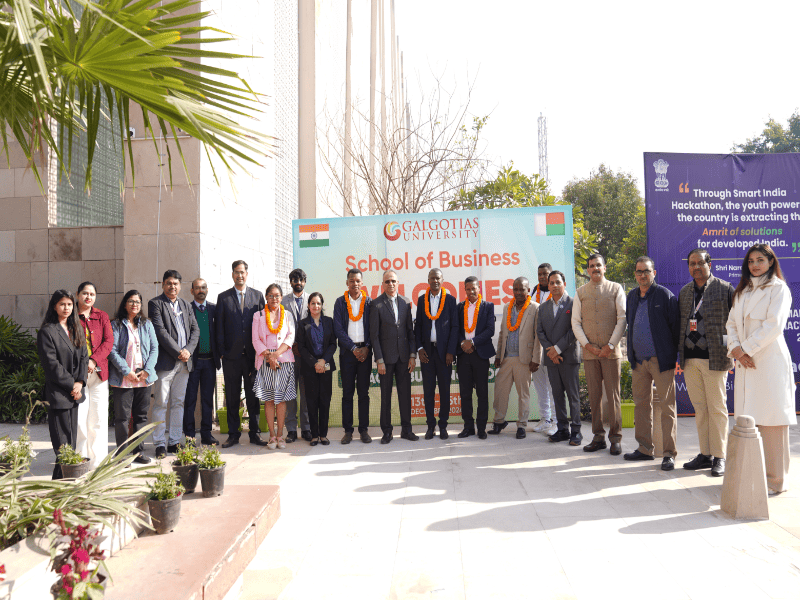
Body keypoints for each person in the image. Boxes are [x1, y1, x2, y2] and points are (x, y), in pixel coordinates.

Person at [726, 243, 796, 495]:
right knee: (748, 421)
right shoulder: (742, 291)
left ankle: (776, 481)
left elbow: (774, 325)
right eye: (751, 261)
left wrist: (745, 349)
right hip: (745, 363)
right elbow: (731, 323)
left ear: (770, 262)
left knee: (772, 422)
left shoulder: (779, 289)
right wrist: (736, 349)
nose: (755, 265)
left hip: (768, 362)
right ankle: (750, 477)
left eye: (760, 260)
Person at [679, 249, 734, 477]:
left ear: (709, 264)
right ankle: (705, 454)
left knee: (717, 409)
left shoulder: (724, 288)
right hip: (690, 360)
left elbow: (733, 324)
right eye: (692, 264)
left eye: (700, 263)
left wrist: (729, 351)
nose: (696, 267)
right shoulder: (685, 292)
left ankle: (720, 456)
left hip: (715, 359)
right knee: (700, 409)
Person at [623, 257, 680, 471]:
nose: (642, 275)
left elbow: (675, 328)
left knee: (667, 407)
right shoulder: (631, 296)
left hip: (660, 361)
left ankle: (669, 453)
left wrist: (670, 356)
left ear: (653, 273)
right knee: (641, 406)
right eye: (639, 272)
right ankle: (645, 449)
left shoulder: (665, 295)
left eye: (646, 271)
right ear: (635, 274)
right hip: (638, 361)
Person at [572, 253, 627, 456]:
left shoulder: (616, 288)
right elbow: (575, 322)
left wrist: (610, 345)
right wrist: (587, 345)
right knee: (594, 397)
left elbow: (622, 318)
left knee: (613, 397)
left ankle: (616, 438)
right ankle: (598, 437)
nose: (595, 268)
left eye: (598, 265)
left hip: (610, 353)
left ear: (605, 268)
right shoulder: (580, 292)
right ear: (587, 270)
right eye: (591, 265)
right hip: (590, 354)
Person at [37, 290, 89, 479]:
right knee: (62, 444)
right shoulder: (47, 331)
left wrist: (80, 382)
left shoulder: (76, 328)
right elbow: (51, 365)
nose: (66, 308)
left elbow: (84, 357)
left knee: (71, 443)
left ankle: (65, 482)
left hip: (75, 393)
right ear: (54, 306)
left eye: (69, 304)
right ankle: (62, 483)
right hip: (58, 394)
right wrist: (72, 385)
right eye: (62, 304)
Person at [148, 270, 199, 459]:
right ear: (163, 285)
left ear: (180, 285)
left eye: (176, 283)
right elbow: (160, 332)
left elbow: (195, 330)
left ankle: (174, 441)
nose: (172, 286)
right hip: (166, 363)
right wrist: (179, 352)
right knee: (161, 403)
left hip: (185, 363)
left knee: (178, 403)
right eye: (169, 283)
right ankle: (160, 443)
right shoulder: (156, 304)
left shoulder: (186, 305)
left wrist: (188, 351)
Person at [215, 260, 266, 448]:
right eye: (236, 272)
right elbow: (219, 326)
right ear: (232, 274)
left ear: (247, 273)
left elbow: (263, 325)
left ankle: (255, 434)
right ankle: (233, 435)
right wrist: (222, 352)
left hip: (253, 357)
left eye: (242, 272)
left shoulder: (257, 296)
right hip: (231, 357)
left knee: (253, 397)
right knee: (232, 397)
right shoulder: (224, 298)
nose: (240, 275)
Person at [108, 290, 158, 465]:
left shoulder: (147, 324)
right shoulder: (116, 325)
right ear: (125, 304)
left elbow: (154, 348)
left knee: (141, 417)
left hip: (143, 378)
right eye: (131, 301)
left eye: (137, 302)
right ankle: (122, 455)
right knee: (122, 418)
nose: (134, 304)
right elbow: (112, 351)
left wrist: (147, 370)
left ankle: (138, 452)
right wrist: (126, 371)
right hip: (123, 379)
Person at [489, 277, 542, 440]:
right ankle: (499, 422)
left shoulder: (535, 308)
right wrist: (498, 355)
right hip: (506, 358)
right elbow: (502, 333)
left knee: (523, 394)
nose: (518, 292)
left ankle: (522, 425)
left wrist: (536, 358)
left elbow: (538, 335)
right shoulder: (507, 306)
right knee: (500, 391)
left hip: (524, 359)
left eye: (522, 289)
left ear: (528, 290)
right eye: (516, 289)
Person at [370, 270, 417, 444]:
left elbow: (410, 331)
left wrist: (412, 356)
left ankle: (407, 430)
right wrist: (379, 360)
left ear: (398, 283)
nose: (390, 284)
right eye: (387, 281)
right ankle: (387, 432)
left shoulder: (405, 302)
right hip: (386, 360)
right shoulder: (376, 304)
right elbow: (374, 336)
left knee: (405, 395)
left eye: (393, 281)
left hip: (404, 358)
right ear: (383, 284)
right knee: (386, 397)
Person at [536, 271, 582, 446]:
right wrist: (551, 351)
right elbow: (540, 331)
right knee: (557, 395)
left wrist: (557, 349)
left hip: (568, 358)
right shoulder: (543, 307)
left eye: (558, 282)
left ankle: (576, 431)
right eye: (552, 283)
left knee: (573, 396)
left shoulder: (574, 303)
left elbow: (574, 329)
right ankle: (562, 430)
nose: (555, 285)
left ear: (564, 284)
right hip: (551, 359)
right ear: (548, 286)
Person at [414, 268, 459, 440]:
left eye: (438, 278)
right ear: (428, 280)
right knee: (428, 392)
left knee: (445, 391)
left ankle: (443, 426)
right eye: (432, 278)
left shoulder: (450, 300)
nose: (435, 281)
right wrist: (419, 348)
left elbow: (454, 327)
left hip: (444, 354)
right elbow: (418, 326)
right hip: (427, 353)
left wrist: (450, 351)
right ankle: (430, 426)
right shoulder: (421, 299)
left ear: (442, 280)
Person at [253, 284, 296, 450]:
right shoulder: (258, 315)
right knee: (269, 399)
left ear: (281, 297)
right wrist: (269, 356)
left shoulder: (288, 315)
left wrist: (275, 355)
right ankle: (271, 436)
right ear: (266, 297)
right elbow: (255, 339)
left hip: (283, 360)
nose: (274, 299)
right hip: (265, 361)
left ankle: (280, 435)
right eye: (271, 295)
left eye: (277, 295)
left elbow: (290, 337)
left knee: (281, 400)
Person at [75, 281, 113, 469]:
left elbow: (108, 341)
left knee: (98, 417)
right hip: (77, 375)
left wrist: (94, 360)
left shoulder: (102, 316)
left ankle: (98, 461)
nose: (88, 297)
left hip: (99, 373)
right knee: (80, 418)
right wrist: (83, 363)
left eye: (92, 294)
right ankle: (81, 459)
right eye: (85, 293)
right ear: (77, 295)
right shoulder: (71, 316)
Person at [333, 268, 373, 444]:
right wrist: (352, 348)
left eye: (358, 281)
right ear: (347, 282)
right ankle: (348, 431)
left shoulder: (369, 302)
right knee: (347, 393)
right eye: (352, 281)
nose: (355, 284)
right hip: (348, 353)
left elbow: (373, 328)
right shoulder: (340, 302)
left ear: (362, 283)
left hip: (365, 353)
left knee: (363, 393)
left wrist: (367, 347)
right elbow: (338, 328)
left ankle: (364, 430)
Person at [456, 277, 496, 439]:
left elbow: (490, 330)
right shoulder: (459, 307)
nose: (471, 291)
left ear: (479, 288)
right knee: (465, 393)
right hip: (463, 355)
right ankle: (468, 427)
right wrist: (463, 343)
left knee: (482, 393)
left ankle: (481, 428)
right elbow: (456, 329)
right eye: (468, 289)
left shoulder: (488, 306)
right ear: (465, 290)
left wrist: (472, 342)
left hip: (480, 354)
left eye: (474, 288)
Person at [296, 293, 337, 446]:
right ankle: (314, 435)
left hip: (326, 365)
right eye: (313, 303)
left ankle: (323, 435)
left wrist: (323, 360)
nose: (316, 306)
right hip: (310, 366)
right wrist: (315, 363)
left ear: (322, 305)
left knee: (325, 400)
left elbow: (333, 344)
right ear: (308, 305)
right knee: (311, 401)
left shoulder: (329, 321)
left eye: (318, 303)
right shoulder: (302, 324)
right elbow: (301, 347)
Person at [185, 278, 221, 446]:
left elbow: (220, 331)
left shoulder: (214, 309)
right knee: (190, 400)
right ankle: (190, 436)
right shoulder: (187, 309)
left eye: (203, 287)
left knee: (207, 400)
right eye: (197, 288)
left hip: (210, 362)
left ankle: (207, 434)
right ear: (192, 291)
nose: (201, 290)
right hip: (193, 362)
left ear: (207, 290)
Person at [281, 268, 311, 442]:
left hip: (306, 354)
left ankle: (306, 428)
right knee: (290, 393)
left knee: (306, 393)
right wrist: (290, 345)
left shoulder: (312, 299)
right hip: (288, 353)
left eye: (300, 279)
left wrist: (304, 347)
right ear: (290, 282)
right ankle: (291, 429)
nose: (298, 282)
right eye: (294, 280)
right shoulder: (283, 301)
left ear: (305, 282)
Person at [531, 263, 557, 436]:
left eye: (545, 274)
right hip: (536, 345)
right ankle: (545, 418)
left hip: (550, 344)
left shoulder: (556, 291)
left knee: (552, 384)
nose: (542, 277)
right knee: (539, 383)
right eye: (539, 274)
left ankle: (556, 421)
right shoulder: (535, 290)